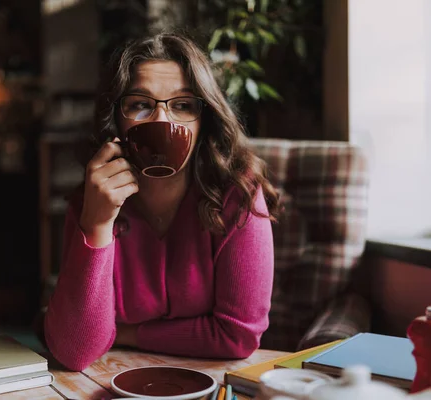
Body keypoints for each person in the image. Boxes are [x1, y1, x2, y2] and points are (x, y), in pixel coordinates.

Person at [43, 33, 280, 371]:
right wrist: (97, 224)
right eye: (140, 104)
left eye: (182, 105)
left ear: (204, 119)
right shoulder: (94, 201)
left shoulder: (236, 195)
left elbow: (238, 337)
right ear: (117, 121)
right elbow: (74, 352)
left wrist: (124, 333)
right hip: (115, 383)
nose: (161, 121)